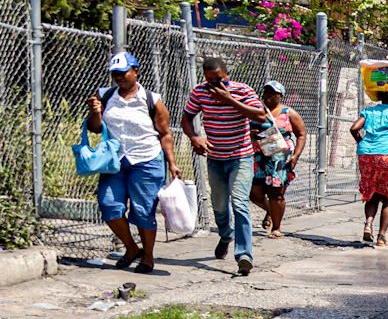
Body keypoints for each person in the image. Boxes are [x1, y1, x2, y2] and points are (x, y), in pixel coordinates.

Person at [87, 52, 181, 273]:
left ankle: (147, 256)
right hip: (115, 160)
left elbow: (165, 133)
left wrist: (172, 162)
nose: (119, 77)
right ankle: (131, 248)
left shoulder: (151, 99)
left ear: (135, 71)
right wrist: (94, 112)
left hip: (146, 159)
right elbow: (95, 128)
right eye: (115, 74)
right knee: (109, 205)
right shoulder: (105, 95)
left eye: (123, 73)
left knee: (143, 211)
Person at [182, 56, 268, 276]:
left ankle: (244, 255)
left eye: (218, 79)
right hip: (215, 158)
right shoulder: (200, 92)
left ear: (227, 74)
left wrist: (229, 100)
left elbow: (260, 115)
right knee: (219, 206)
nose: (214, 84)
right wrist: (194, 138)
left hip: (241, 157)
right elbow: (187, 118)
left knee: (239, 203)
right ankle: (225, 235)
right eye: (209, 80)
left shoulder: (243, 91)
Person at [248, 80, 307, 239]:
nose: (268, 95)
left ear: (281, 95)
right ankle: (270, 210)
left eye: (273, 92)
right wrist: (250, 133)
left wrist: (296, 155)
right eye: (266, 91)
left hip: (280, 158)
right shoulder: (256, 110)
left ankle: (276, 227)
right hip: (259, 157)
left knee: (276, 193)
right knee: (254, 193)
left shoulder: (289, 113)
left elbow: (301, 134)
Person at [351, 89, 388, 246]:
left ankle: (368, 224)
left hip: (366, 155)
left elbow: (353, 128)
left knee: (372, 192)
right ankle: (381, 236)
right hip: (385, 155)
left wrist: (362, 142)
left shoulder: (368, 111)